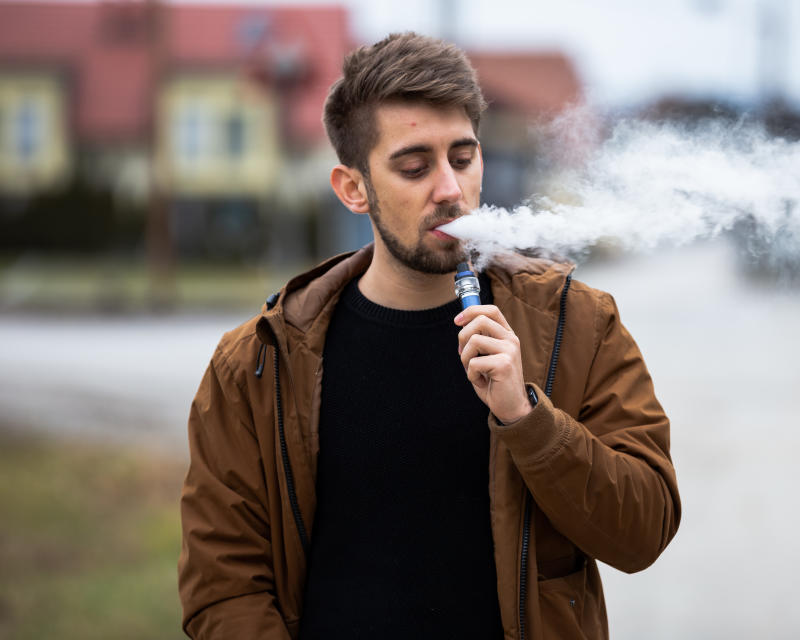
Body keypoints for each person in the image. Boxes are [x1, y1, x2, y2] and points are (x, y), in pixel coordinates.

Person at [178, 32, 680, 640]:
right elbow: (223, 588)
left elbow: (644, 531)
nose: (449, 189)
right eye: (414, 167)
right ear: (353, 188)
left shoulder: (578, 325)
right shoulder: (260, 361)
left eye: (463, 159)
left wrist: (527, 418)